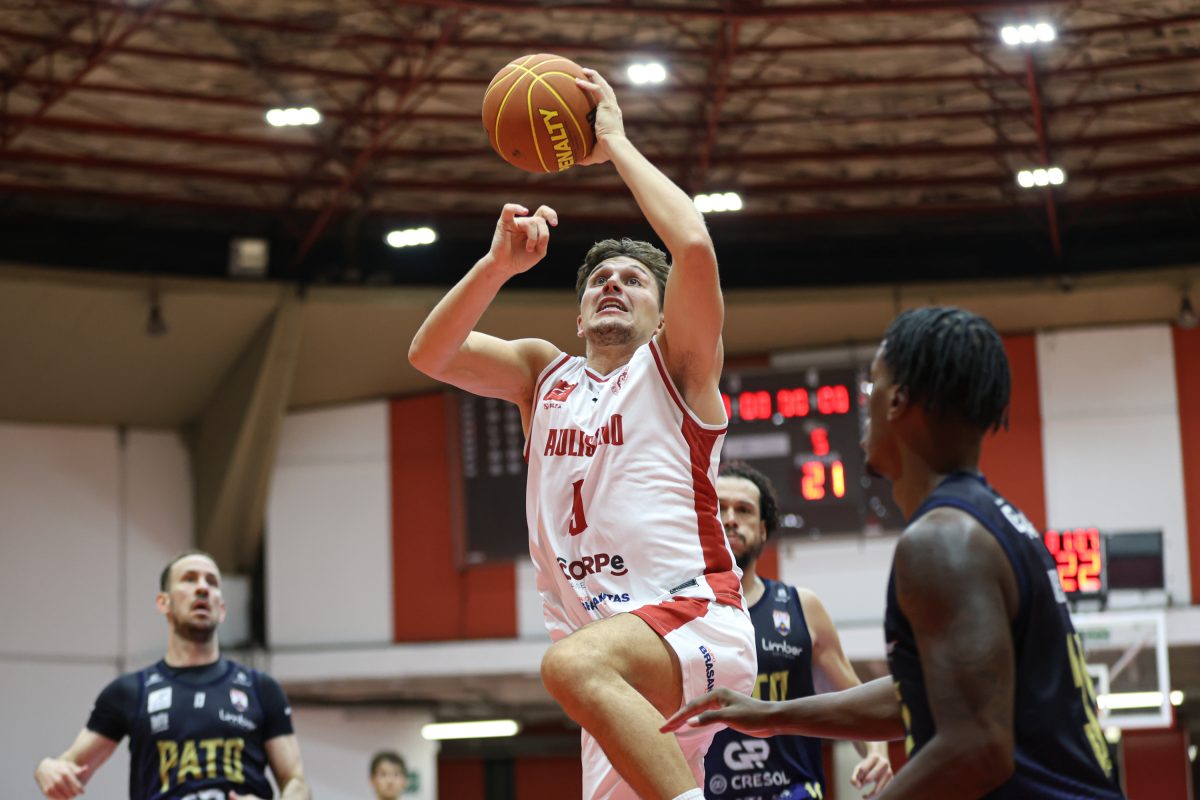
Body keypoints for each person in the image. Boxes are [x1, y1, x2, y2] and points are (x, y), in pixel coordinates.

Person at [408, 67, 755, 800]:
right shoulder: (543, 374)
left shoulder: (677, 366)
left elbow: (693, 245)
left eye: (633, 281)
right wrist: (496, 266)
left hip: (693, 619)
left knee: (569, 666)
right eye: (599, 280)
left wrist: (615, 145)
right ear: (577, 316)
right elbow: (430, 355)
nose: (612, 285)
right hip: (613, 661)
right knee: (582, 674)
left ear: (663, 315)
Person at [665, 307, 1126, 799]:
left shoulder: (942, 541)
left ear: (898, 402)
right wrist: (771, 715)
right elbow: (918, 696)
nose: (867, 401)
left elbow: (977, 745)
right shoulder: (989, 520)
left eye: (874, 385)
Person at [34, 551, 309, 800]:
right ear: (163, 602)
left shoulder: (260, 688)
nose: (202, 588)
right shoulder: (130, 691)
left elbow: (296, 782)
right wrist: (47, 768)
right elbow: (69, 766)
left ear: (222, 609)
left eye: (212, 582)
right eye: (189, 579)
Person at [707, 461, 892, 800]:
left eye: (744, 510)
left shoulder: (802, 608)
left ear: (763, 529)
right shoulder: (676, 615)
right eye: (720, 509)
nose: (730, 518)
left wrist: (877, 752)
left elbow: (856, 704)